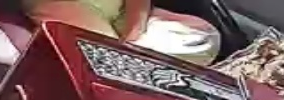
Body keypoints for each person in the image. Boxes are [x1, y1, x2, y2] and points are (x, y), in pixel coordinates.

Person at [23, 0, 221, 66]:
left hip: (122, 16)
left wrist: (133, 32)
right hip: (69, 10)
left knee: (203, 38)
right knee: (100, 57)